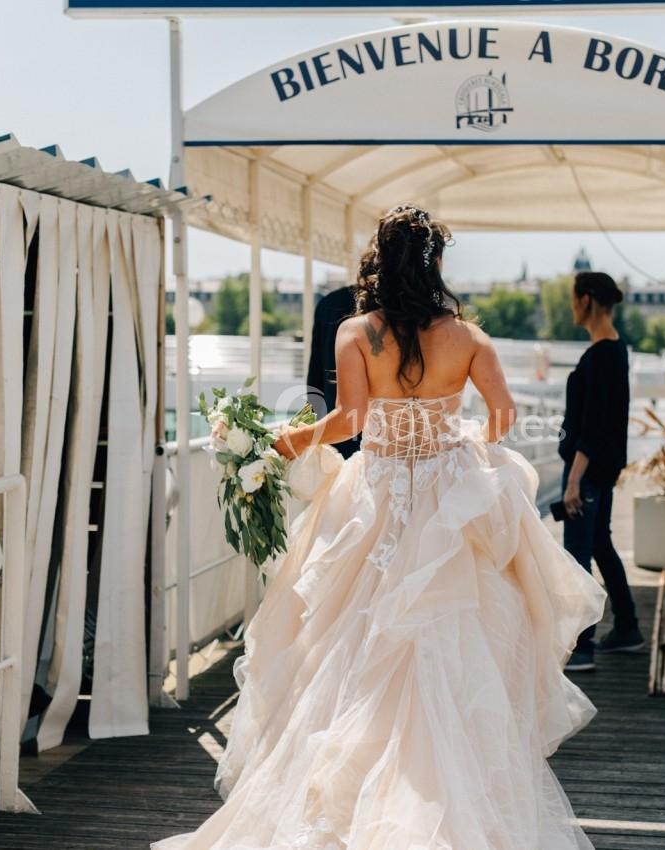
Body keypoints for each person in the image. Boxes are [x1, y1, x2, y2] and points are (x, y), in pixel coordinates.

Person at [153, 205, 606, 850]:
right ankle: (448, 795)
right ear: (434, 267)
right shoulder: (469, 338)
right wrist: (464, 442)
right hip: (449, 496)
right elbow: (504, 415)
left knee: (350, 641)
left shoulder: (356, 333)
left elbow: (348, 419)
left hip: (380, 494)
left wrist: (291, 440)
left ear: (377, 263)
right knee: (453, 635)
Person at [559, 271, 644, 673]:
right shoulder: (615, 351)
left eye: (574, 298)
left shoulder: (601, 356)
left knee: (577, 554)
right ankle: (626, 624)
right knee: (600, 545)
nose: (572, 306)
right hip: (599, 469)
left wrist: (575, 478)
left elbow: (592, 425)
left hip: (587, 472)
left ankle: (583, 645)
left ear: (588, 300)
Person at [305, 283, 360, 457]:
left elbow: (315, 379)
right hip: (379, 439)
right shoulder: (396, 308)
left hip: (333, 431)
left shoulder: (328, 303)